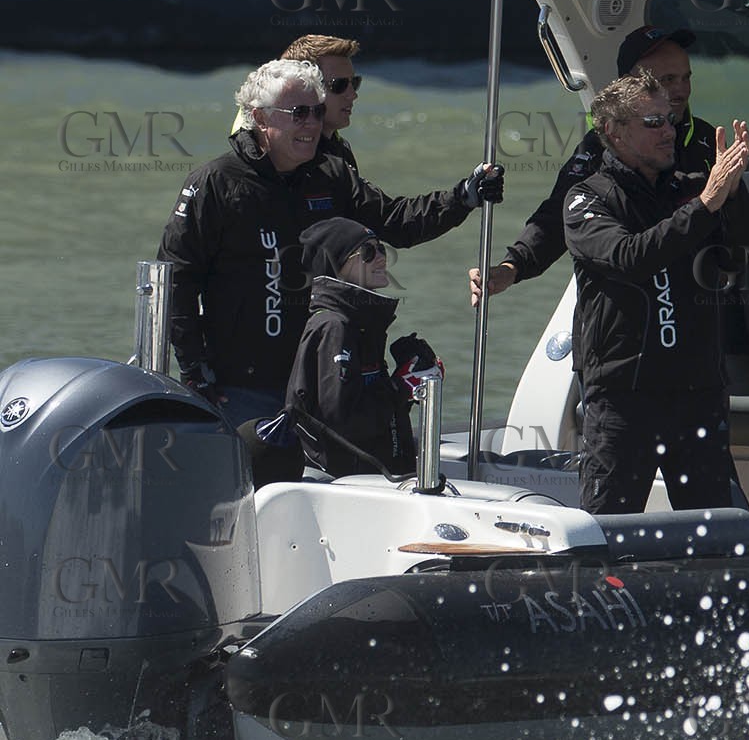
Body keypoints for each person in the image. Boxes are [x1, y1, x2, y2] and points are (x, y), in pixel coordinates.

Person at [158, 59, 503, 427]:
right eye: (299, 113)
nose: (312, 124)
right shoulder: (215, 183)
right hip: (239, 388)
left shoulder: (331, 174)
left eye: (318, 112)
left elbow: (396, 221)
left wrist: (462, 197)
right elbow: (175, 279)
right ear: (260, 118)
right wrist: (194, 369)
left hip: (322, 378)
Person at [562, 70, 749, 514]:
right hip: (625, 399)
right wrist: (706, 204)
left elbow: (734, 258)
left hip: (696, 395)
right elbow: (630, 257)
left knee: (719, 536)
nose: (669, 131)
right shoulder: (587, 198)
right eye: (653, 123)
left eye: (670, 119)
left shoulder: (691, 188)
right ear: (613, 131)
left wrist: (734, 192)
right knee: (608, 532)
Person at [469, 25, 715, 303]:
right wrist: (513, 267)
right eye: (668, 79)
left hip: (700, 301)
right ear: (633, 84)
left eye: (686, 77)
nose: (681, 90)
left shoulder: (709, 139)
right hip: (634, 301)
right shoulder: (602, 146)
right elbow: (557, 214)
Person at [283, 217, 440, 477]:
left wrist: (413, 381)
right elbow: (340, 423)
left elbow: (369, 407)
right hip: (346, 482)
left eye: (381, 248)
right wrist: (401, 387)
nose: (381, 258)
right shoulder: (335, 327)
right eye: (368, 251)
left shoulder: (361, 323)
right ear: (336, 264)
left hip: (371, 475)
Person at [280, 34, 365, 173]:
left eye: (354, 83)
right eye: (339, 84)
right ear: (303, 87)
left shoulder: (340, 149)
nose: (353, 95)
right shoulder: (288, 162)